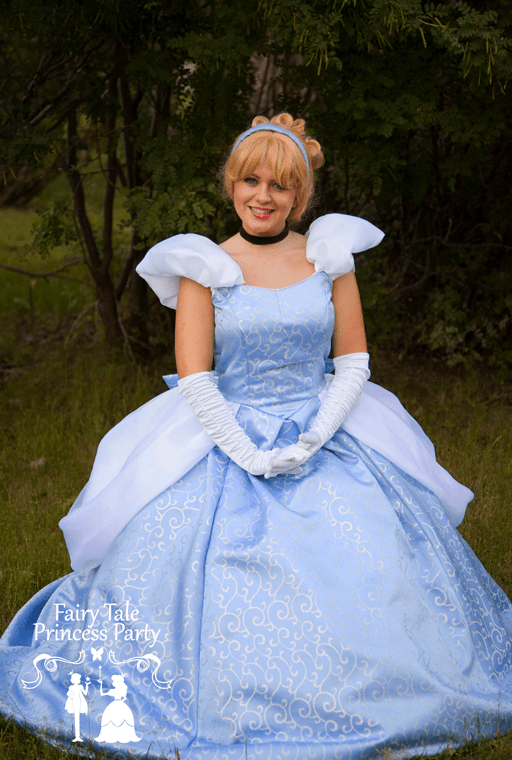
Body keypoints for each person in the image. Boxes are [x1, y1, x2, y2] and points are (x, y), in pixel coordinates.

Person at [0, 113, 511, 760]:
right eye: (250, 181)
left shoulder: (329, 259)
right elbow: (195, 376)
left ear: (301, 196)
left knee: (371, 566)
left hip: (322, 429)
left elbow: (352, 361)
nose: (263, 196)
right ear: (231, 185)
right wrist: (246, 451)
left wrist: (316, 436)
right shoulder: (205, 266)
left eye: (280, 185)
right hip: (224, 432)